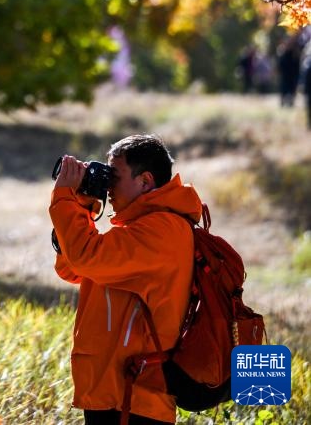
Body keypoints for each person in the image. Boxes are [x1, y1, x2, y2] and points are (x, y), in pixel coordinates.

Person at [50, 134, 203, 425]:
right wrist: (81, 206)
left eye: (114, 176)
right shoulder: (140, 227)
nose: (108, 187)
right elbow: (74, 270)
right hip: (112, 390)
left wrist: (64, 199)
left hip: (135, 396)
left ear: (145, 181)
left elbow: (87, 258)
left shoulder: (162, 230)